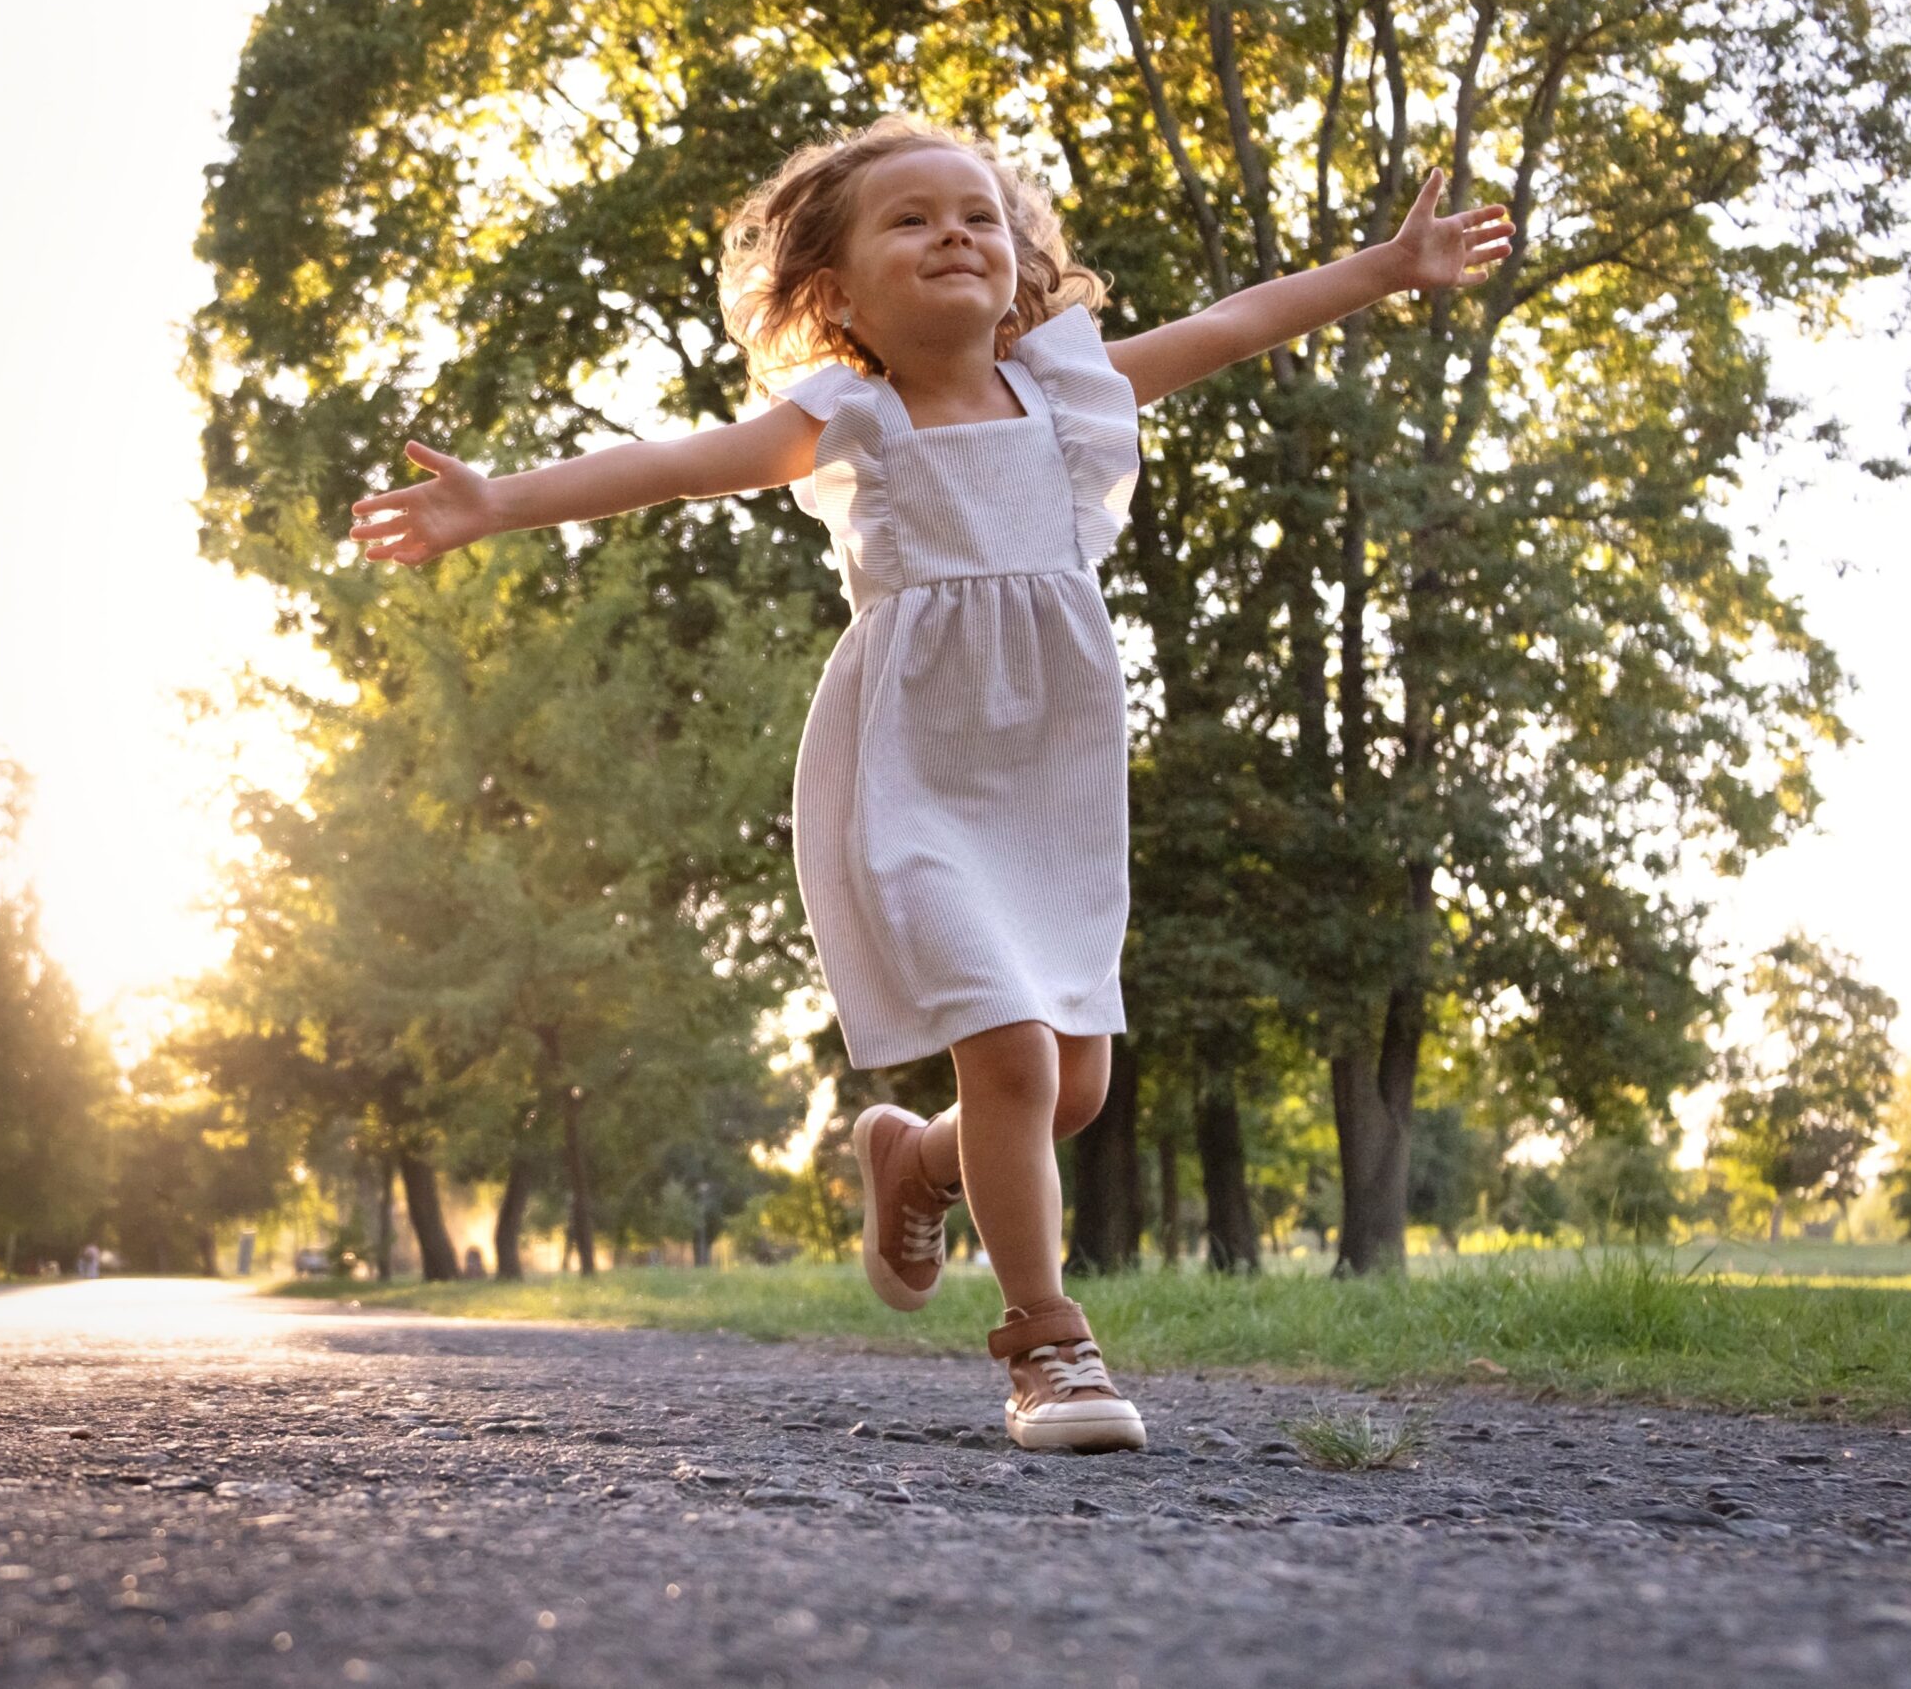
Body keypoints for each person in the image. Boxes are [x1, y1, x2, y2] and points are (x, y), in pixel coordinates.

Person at [346, 113, 1511, 1453]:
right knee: (1012, 1052)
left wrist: (1387, 265)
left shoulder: (1075, 391)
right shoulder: (852, 418)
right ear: (836, 295)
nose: (956, 232)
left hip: (1054, 779)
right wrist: (493, 504)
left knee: (1067, 1089)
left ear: (1018, 264)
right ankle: (1049, 1345)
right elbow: (671, 465)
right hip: (913, 771)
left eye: (979, 215)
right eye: (911, 219)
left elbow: (1236, 324)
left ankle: (911, 1156)